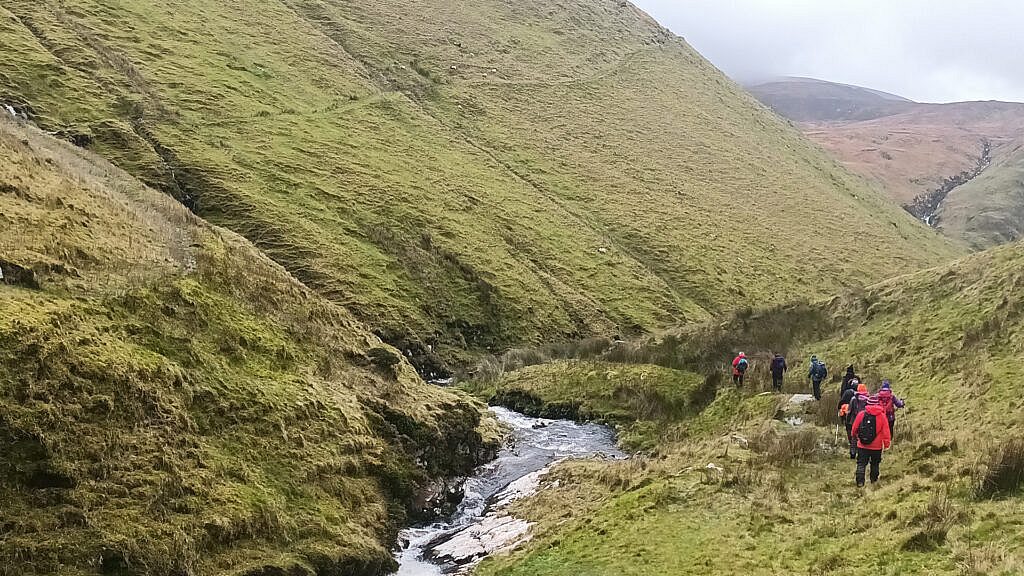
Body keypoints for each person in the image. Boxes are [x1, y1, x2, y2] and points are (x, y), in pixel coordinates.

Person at [851, 395, 892, 487]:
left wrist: (854, 436)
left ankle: (860, 482)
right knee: (875, 463)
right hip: (877, 446)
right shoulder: (882, 416)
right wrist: (886, 444)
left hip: (862, 445)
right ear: (878, 404)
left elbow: (854, 428)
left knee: (861, 463)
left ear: (867, 404)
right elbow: (886, 431)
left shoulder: (861, 414)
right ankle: (874, 481)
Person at [839, 383, 869, 459]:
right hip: (864, 421)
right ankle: (861, 452)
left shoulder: (853, 399)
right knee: (861, 437)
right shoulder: (868, 399)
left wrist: (847, 420)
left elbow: (849, 411)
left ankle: (853, 453)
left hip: (854, 421)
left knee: (854, 437)